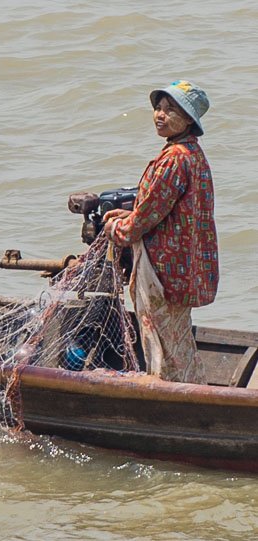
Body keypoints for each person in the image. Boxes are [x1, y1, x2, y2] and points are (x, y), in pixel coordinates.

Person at [103, 80, 218, 384]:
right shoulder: (194, 154)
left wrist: (118, 227)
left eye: (171, 110)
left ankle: (174, 397)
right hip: (185, 268)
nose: (160, 115)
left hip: (163, 272)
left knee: (163, 346)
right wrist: (133, 215)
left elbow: (144, 219)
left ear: (189, 120)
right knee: (177, 340)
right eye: (158, 108)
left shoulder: (174, 159)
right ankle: (193, 391)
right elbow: (167, 212)